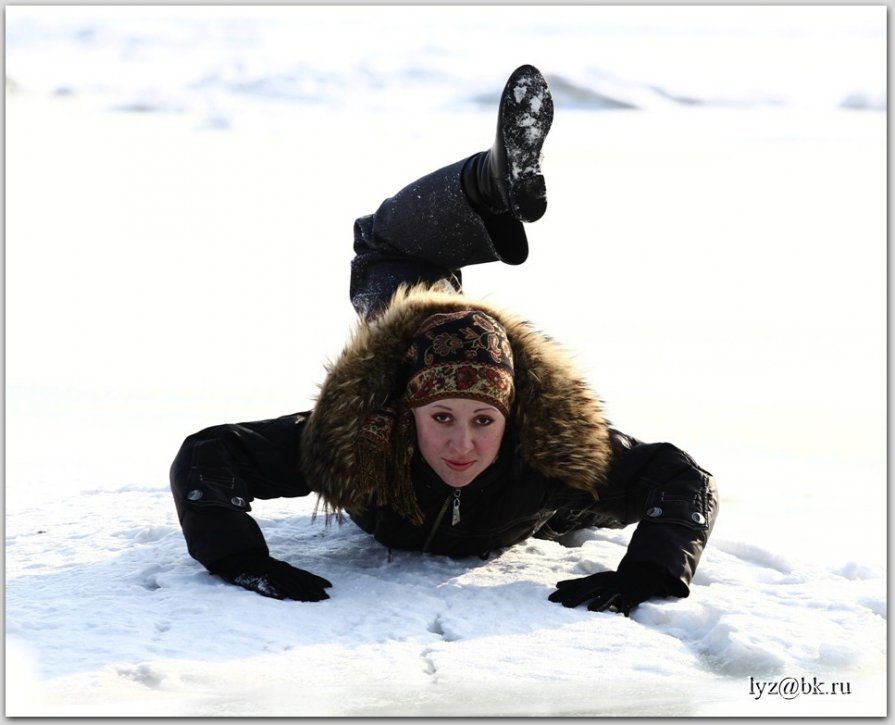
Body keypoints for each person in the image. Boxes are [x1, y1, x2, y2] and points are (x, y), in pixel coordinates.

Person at [169, 65, 718, 616]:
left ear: (512, 418)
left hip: (511, 435)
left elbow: (682, 480)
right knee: (400, 295)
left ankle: (487, 186)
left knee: (385, 252)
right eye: (441, 419)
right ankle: (489, 187)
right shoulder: (360, 434)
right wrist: (240, 558)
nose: (462, 446)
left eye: (484, 421)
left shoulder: (548, 459)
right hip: (420, 357)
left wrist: (651, 569)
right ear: (407, 413)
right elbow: (209, 456)